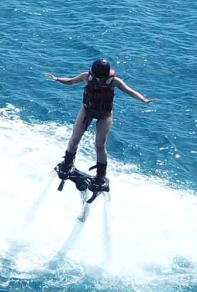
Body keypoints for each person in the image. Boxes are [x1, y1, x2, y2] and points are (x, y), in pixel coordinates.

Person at [44, 58, 152, 195]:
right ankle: (67, 165)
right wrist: (56, 79)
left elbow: (129, 91)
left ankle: (101, 177)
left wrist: (143, 99)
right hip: (87, 111)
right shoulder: (86, 76)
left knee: (100, 145)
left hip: (104, 115)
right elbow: (71, 81)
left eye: (101, 78)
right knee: (74, 139)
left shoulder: (114, 81)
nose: (98, 80)